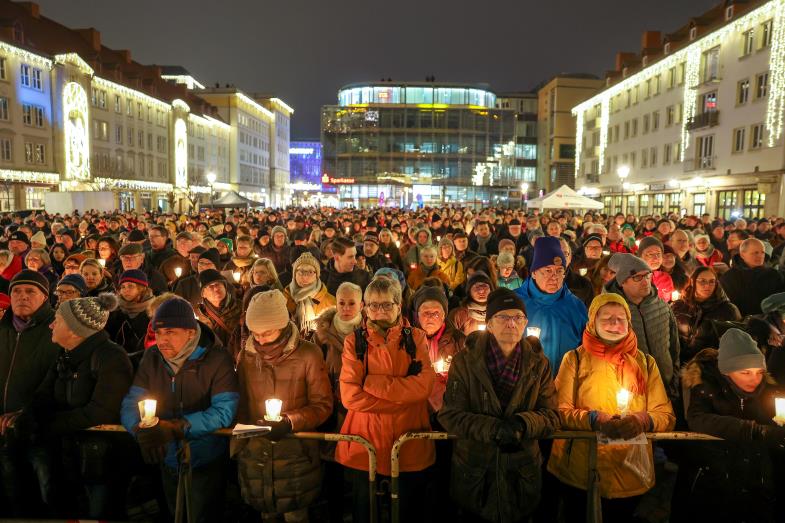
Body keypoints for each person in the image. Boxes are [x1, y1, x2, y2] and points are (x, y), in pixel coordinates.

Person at [548, 294, 676, 523]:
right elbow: (559, 410)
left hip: (629, 470)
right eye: (607, 318)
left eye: (621, 318)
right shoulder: (574, 359)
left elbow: (665, 414)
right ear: (592, 322)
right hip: (580, 468)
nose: (615, 324)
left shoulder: (645, 363)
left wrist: (642, 421)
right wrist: (594, 419)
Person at [438, 288, 559, 522]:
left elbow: (551, 416)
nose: (511, 324)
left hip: (521, 473)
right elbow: (450, 415)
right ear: (490, 324)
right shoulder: (466, 361)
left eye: (518, 318)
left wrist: (523, 424)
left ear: (525, 323)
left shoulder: (538, 364)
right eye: (503, 317)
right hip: (475, 471)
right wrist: (493, 429)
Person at [121, 296, 239, 523]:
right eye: (159, 333)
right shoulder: (152, 357)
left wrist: (178, 427)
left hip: (205, 458)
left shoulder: (216, 358)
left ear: (191, 333)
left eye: (171, 333)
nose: (162, 340)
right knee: (173, 511)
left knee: (201, 514)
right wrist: (141, 431)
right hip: (166, 457)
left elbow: (224, 411)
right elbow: (132, 401)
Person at [23, 293, 133, 519]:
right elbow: (43, 395)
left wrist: (50, 425)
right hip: (68, 456)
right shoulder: (64, 355)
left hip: (101, 462)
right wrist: (29, 417)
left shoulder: (111, 357)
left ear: (75, 329)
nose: (52, 324)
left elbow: (101, 411)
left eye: (59, 320)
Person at [337, 276, 435, 523]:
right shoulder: (354, 342)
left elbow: (424, 387)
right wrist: (403, 397)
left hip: (408, 441)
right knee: (365, 511)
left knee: (407, 510)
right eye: (374, 305)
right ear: (365, 307)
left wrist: (371, 383)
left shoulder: (417, 338)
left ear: (399, 306)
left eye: (386, 305)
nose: (380, 311)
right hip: (365, 442)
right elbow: (350, 397)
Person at [231, 289, 332, 521]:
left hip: (297, 453)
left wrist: (290, 421)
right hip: (257, 452)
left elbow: (323, 405)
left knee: (295, 514)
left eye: (267, 332)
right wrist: (241, 444)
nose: (260, 339)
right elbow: (242, 404)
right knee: (267, 513)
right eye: (255, 333)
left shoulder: (308, 354)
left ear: (282, 324)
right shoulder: (247, 357)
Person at [678, 329, 785, 522]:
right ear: (726, 370)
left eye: (759, 372)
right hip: (715, 480)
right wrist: (753, 431)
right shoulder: (705, 386)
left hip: (757, 480)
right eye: (745, 372)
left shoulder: (768, 391)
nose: (755, 379)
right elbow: (698, 418)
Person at [0, 270, 61, 516]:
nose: (22, 296)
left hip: (38, 429)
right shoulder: (2, 329)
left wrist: (27, 412)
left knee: (48, 494)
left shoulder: (55, 331)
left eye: (30, 291)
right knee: (11, 494)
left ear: (45, 297)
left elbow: (54, 379)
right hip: (3, 430)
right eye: (16, 291)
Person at [313, 282, 363, 523]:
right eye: (341, 303)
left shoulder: (368, 332)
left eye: (351, 303)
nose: (346, 308)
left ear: (361, 305)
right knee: (333, 466)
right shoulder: (322, 335)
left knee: (359, 464)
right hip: (332, 409)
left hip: (360, 409)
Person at [606, 253, 681, 398]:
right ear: (622, 282)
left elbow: (674, 347)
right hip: (631, 392)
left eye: (647, 275)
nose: (645, 281)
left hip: (666, 387)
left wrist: (674, 379)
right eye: (637, 277)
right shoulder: (610, 311)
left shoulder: (661, 306)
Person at [515, 236, 587, 375]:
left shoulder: (576, 306)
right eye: (548, 270)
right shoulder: (514, 303)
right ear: (534, 273)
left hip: (564, 385)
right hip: (523, 385)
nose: (554, 277)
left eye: (559, 271)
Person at [671, 267, 741, 363]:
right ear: (692, 282)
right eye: (702, 281)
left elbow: (735, 344)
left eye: (712, 281)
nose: (707, 285)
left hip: (709, 366)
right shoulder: (678, 306)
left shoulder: (728, 310)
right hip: (679, 363)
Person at [720, 238, 785, 316]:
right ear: (742, 254)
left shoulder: (773, 274)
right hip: (742, 323)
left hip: (771, 322)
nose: (760, 256)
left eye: (762, 252)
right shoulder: (728, 278)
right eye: (755, 253)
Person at [105, 269, 155, 357]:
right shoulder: (115, 311)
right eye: (123, 287)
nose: (125, 290)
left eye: (130, 286)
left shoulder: (153, 311)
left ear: (141, 288)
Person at [284, 252, 335, 337]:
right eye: (300, 271)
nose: (305, 276)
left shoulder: (330, 302)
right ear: (294, 274)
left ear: (317, 275)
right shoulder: (283, 299)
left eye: (310, 272)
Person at [196, 269, 242, 357]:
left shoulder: (241, 307)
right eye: (210, 286)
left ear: (225, 287)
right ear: (203, 294)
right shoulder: (199, 316)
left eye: (218, 284)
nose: (216, 288)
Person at [449, 271, 493, 336]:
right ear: (469, 291)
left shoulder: (498, 313)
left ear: (491, 289)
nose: (481, 291)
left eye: (484, 286)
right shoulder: (458, 315)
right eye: (476, 287)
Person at [638, 236, 675, 302]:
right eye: (650, 254)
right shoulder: (633, 278)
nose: (656, 258)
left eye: (658, 253)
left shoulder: (666, 278)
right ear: (640, 256)